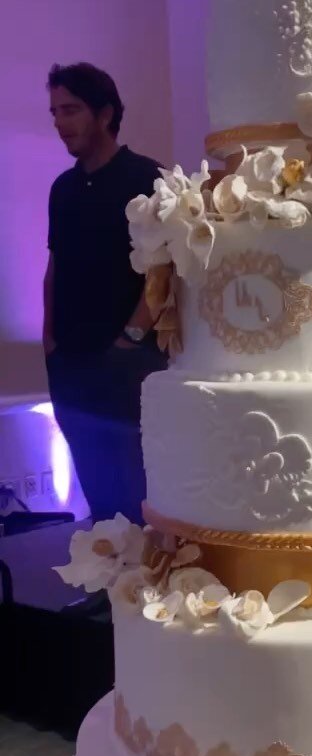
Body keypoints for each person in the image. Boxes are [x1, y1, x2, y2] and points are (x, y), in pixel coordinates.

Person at [44, 63, 166, 524]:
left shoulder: (147, 178)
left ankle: (148, 590)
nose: (59, 122)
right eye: (54, 111)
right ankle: (108, 591)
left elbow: (165, 271)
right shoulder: (63, 189)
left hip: (126, 363)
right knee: (97, 495)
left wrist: (130, 340)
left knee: (138, 494)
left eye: (71, 109)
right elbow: (55, 266)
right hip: (69, 364)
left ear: (105, 113)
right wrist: (49, 341)